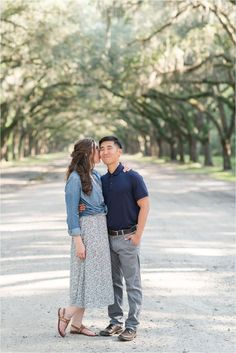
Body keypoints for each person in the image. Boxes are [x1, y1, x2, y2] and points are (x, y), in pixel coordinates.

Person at [57, 138, 114, 338]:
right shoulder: (74, 179)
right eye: (97, 149)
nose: (100, 151)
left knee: (90, 278)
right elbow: (72, 214)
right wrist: (78, 241)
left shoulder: (95, 175)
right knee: (84, 276)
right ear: (87, 153)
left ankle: (77, 324)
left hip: (99, 228)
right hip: (86, 232)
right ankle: (66, 313)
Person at [98, 136, 150, 342]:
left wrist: (138, 235)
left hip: (127, 238)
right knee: (113, 283)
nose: (105, 152)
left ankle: (132, 325)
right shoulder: (100, 180)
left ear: (119, 151)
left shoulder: (132, 177)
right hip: (107, 239)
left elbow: (145, 205)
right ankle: (115, 322)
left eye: (109, 148)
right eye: (101, 149)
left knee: (132, 283)